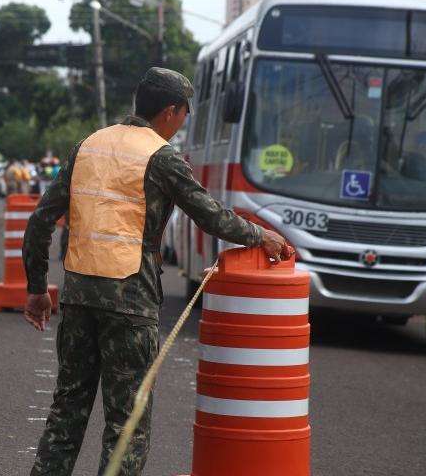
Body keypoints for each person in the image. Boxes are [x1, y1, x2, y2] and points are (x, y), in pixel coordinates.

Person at [22, 67, 293, 476]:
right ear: (171, 111)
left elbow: (41, 220)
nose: (183, 123)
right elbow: (210, 216)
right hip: (130, 303)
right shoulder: (161, 156)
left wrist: (38, 288)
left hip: (77, 296)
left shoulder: (89, 145)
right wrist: (260, 235)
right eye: (185, 113)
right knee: (126, 422)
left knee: (67, 409)